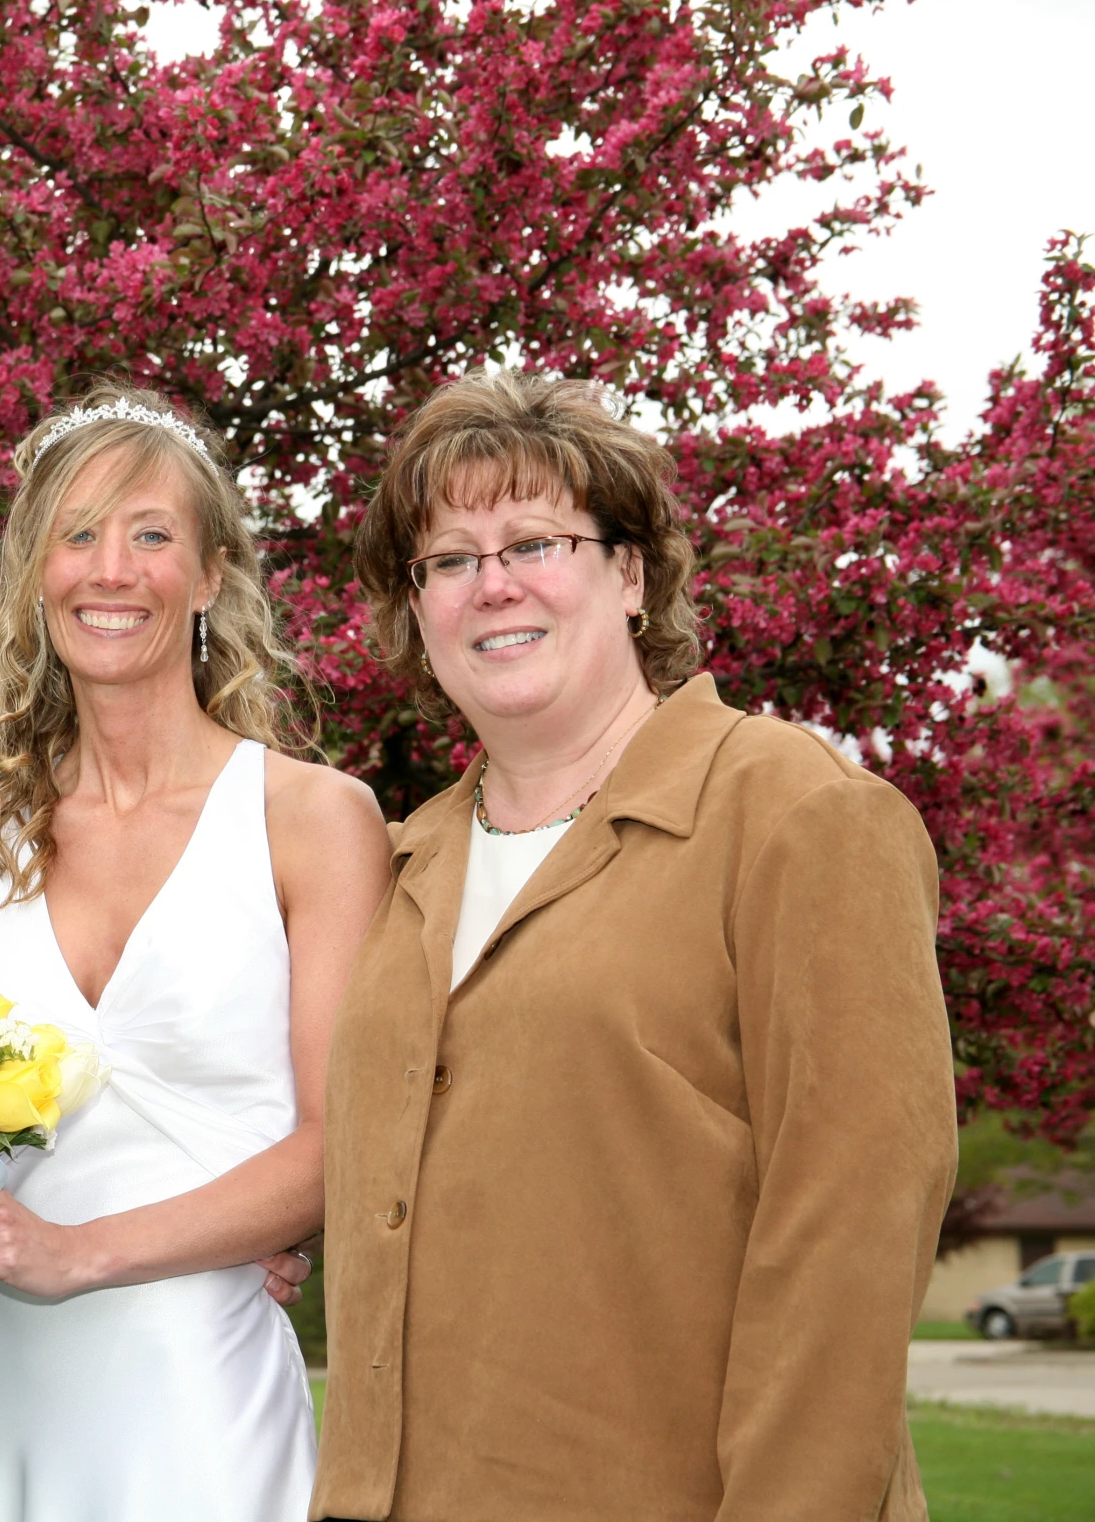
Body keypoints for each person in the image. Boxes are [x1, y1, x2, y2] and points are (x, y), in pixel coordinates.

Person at [313, 371, 957, 1521]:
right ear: (416, 611)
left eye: (534, 541)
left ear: (630, 573)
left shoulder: (794, 813)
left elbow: (850, 1239)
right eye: (448, 559)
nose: (491, 584)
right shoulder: (404, 862)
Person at [0, 384, 392, 1520]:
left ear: (210, 574)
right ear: (35, 574)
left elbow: (341, 1142)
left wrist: (77, 1251)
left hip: (198, 1385)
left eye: (151, 534)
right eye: (78, 534)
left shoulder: (311, 820)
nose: (111, 569)